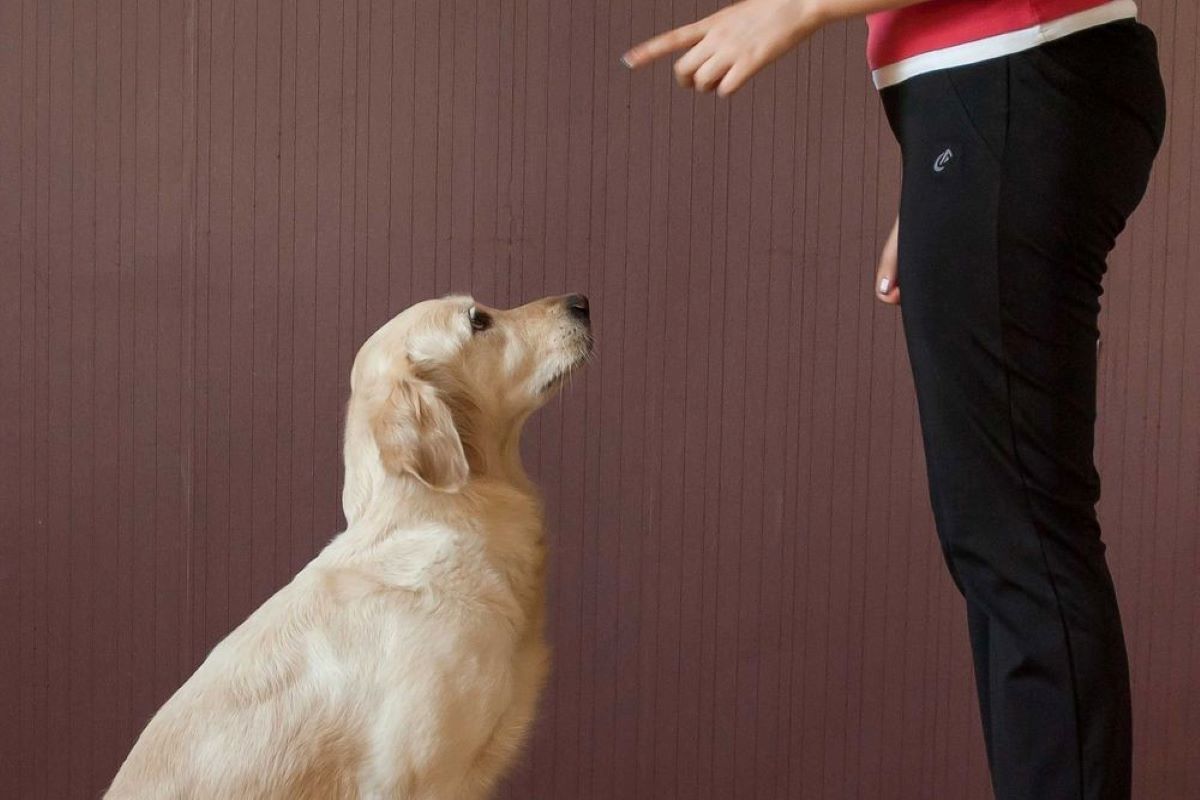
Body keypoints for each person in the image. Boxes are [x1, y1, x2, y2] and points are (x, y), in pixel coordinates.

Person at [623, 1, 1166, 798]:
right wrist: (954, 174)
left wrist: (797, 6)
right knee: (1003, 539)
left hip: (1018, 73)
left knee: (1020, 541)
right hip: (997, 95)